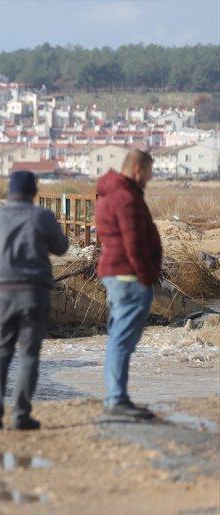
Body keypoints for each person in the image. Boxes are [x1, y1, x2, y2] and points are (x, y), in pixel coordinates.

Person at [0, 171, 69, 430]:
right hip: (34, 291)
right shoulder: (42, 216)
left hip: (1, 291)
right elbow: (62, 248)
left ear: (9, 191)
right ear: (34, 192)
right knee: (29, 354)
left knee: (0, 352)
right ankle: (20, 414)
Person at [95, 149, 161, 419]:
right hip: (129, 276)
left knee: (118, 338)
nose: (150, 177)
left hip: (118, 274)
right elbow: (133, 243)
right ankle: (116, 400)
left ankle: (116, 396)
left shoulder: (109, 194)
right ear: (137, 169)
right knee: (122, 340)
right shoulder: (126, 198)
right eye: (149, 171)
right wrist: (146, 276)